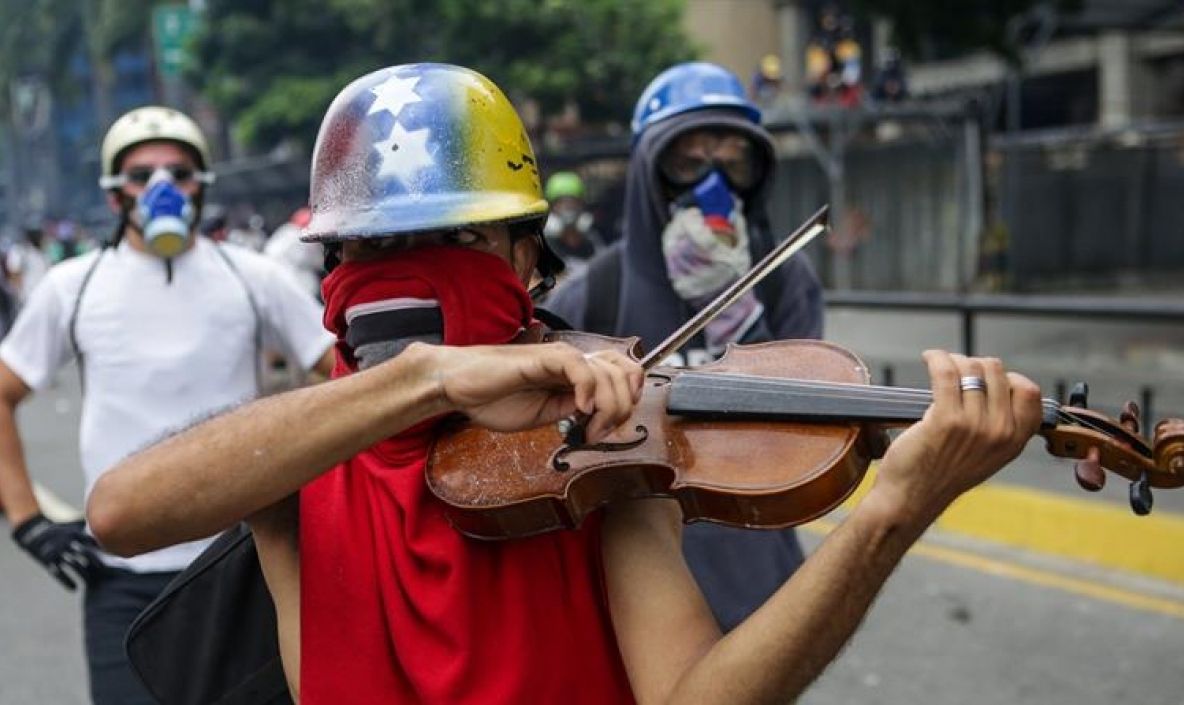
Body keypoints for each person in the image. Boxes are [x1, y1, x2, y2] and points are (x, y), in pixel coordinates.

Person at [86, 64, 1043, 704]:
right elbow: (122, 513)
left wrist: (889, 515)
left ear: (523, 255)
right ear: (332, 267)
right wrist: (428, 375)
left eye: (457, 240)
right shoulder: (299, 451)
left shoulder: (597, 428)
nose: (411, 271)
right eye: (376, 247)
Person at [0, 105, 335, 705]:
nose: (161, 188)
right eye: (140, 175)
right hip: (122, 584)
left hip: (242, 569)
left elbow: (345, 377)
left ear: (201, 186)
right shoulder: (71, 287)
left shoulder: (254, 277)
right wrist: (26, 520)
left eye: (178, 172)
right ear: (113, 196)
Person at [544, 61, 824, 632]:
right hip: (627, 581)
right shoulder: (598, 288)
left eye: (730, 164)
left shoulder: (782, 281)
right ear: (652, 173)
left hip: (754, 575)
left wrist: (739, 317)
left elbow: (801, 444)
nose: (712, 186)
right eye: (688, 164)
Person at [542, 171, 603, 280]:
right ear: (551, 208)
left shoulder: (592, 242)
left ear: (582, 204)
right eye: (561, 203)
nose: (568, 208)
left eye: (573, 202)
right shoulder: (543, 246)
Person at [6, 221, 50, 305]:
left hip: (41, 296)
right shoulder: (20, 252)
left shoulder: (43, 256)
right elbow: (14, 273)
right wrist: (18, 294)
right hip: (24, 298)